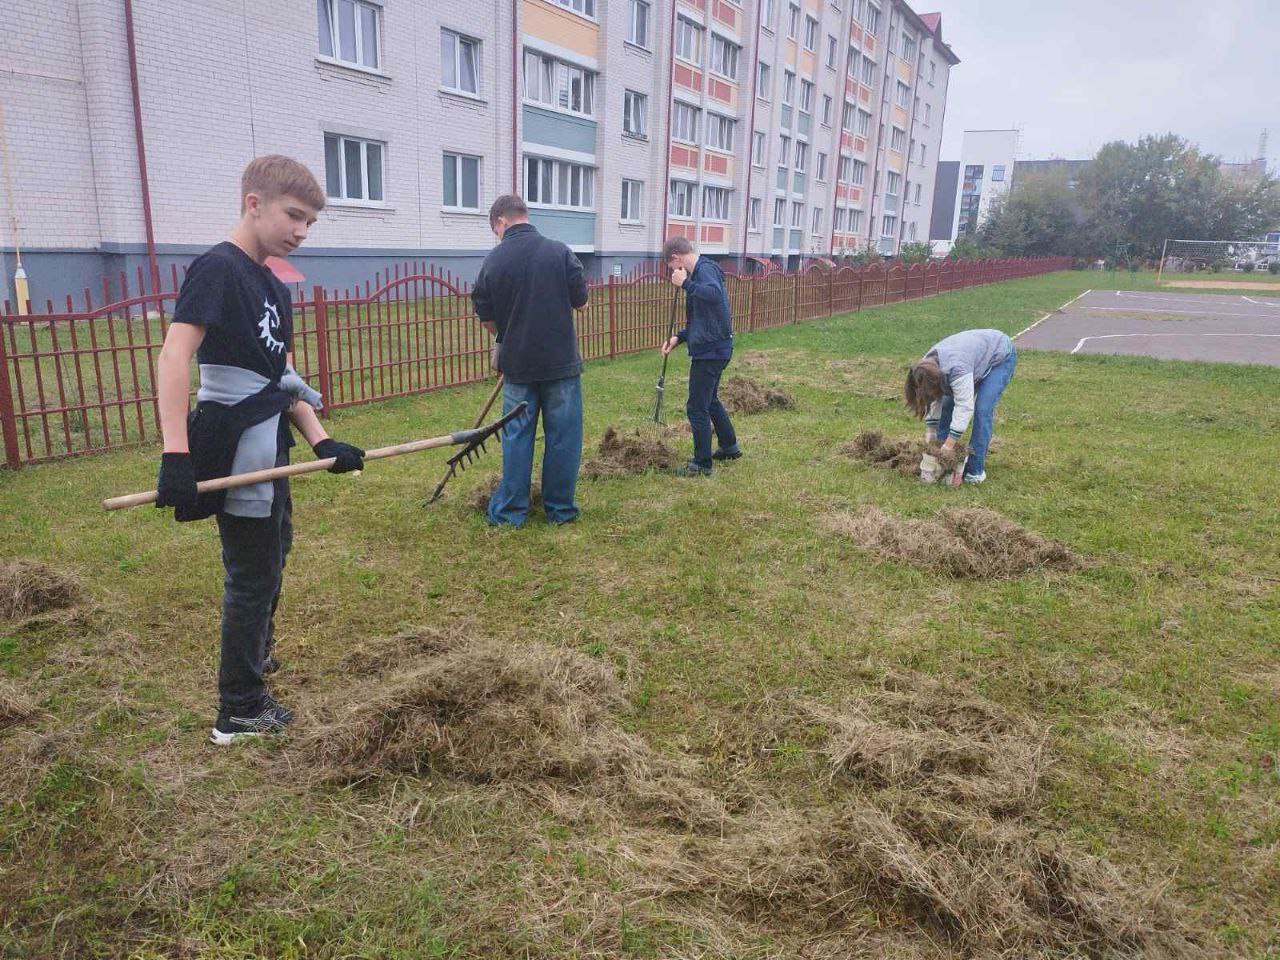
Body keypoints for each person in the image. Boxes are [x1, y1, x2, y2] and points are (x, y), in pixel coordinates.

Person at [153, 155, 365, 745]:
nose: (302, 231)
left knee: (275, 551)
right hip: (236, 443)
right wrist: (176, 455)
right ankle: (239, 707)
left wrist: (322, 441)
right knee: (251, 572)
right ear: (254, 203)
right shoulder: (218, 269)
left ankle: (255, 652)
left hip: (269, 439)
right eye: (294, 216)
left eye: (310, 223)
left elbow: (281, 379)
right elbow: (174, 356)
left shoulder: (272, 283)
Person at [471, 195, 588, 525]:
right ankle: (560, 510)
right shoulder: (560, 252)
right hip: (561, 364)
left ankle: (510, 512)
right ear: (525, 215)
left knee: (516, 437)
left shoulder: (492, 262)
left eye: (495, 229)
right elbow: (582, 304)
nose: (496, 235)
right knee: (563, 437)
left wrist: (506, 333)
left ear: (501, 222)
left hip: (518, 366)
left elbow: (487, 317)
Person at [660, 236, 740, 476]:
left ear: (675, 257)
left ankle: (702, 464)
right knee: (710, 400)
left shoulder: (704, 271)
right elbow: (703, 318)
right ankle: (729, 446)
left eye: (671, 267)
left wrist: (685, 284)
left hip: (710, 352)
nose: (673, 272)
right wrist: (679, 337)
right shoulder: (699, 274)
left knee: (696, 407)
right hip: (716, 348)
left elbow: (714, 295)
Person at [903, 328, 1017, 484]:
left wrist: (949, 445)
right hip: (970, 357)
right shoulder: (923, 369)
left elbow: (964, 407)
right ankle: (941, 463)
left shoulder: (957, 370)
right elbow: (933, 397)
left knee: (982, 409)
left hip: (999, 355)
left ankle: (975, 470)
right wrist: (931, 431)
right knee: (947, 406)